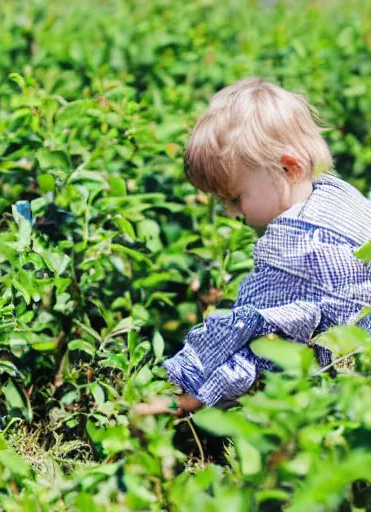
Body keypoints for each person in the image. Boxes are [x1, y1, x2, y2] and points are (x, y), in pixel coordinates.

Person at [134, 78, 371, 416]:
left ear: (289, 169)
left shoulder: (296, 247)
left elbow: (245, 332)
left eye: (235, 198)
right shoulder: (339, 196)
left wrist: (182, 391)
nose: (231, 213)